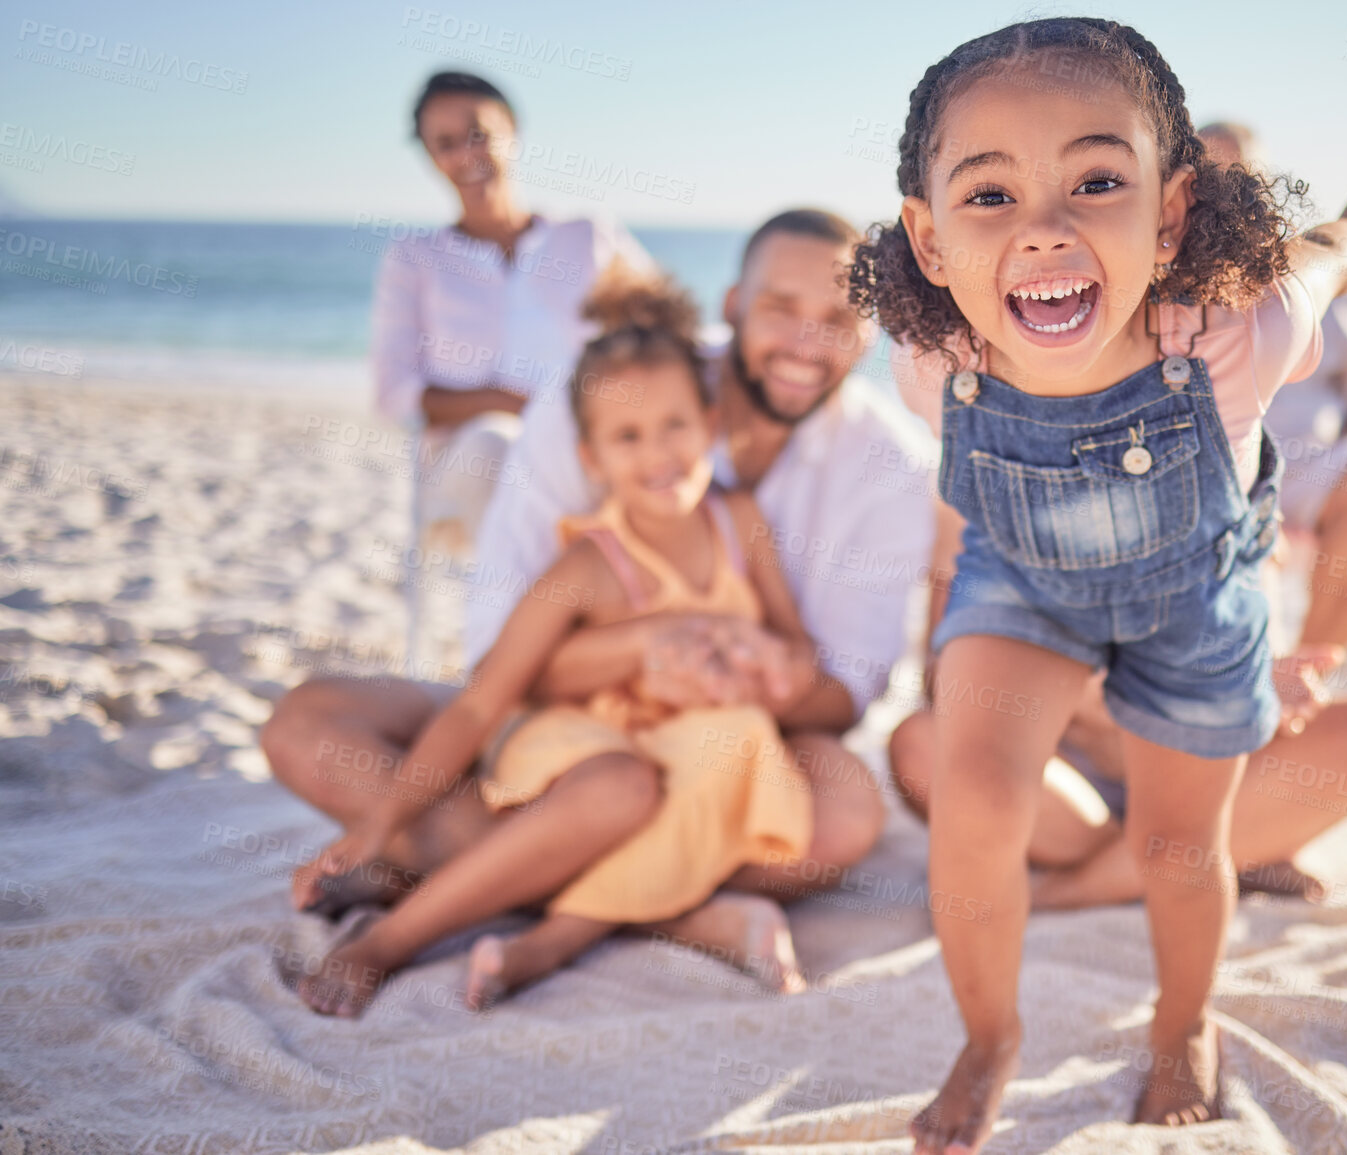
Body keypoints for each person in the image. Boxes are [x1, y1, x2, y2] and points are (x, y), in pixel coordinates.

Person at [846, 17, 1347, 1144]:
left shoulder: (1240, 333)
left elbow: (1323, 262)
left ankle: (1184, 1021)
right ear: (930, 238)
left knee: (1180, 847)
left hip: (1195, 598)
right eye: (989, 196)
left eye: (1097, 179)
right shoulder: (933, 365)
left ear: (1173, 208)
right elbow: (962, 510)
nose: (1044, 230)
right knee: (977, 799)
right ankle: (990, 1032)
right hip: (1025, 591)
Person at [262, 209, 935, 976]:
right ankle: (673, 904)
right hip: (568, 731)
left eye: (839, 318)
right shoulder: (605, 397)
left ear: (869, 330)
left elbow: (839, 690)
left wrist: (753, 671)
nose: (806, 344)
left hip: (727, 746)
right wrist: (640, 652)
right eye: (781, 307)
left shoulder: (887, 470)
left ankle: (504, 880)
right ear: (732, 305)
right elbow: (493, 665)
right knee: (305, 724)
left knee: (844, 812)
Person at [299, 273, 820, 1017]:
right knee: (623, 788)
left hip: (687, 749)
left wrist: (774, 667)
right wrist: (382, 822)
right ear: (592, 458)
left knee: (738, 740)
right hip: (580, 749)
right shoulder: (586, 565)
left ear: (708, 422)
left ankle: (555, 937)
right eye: (627, 437)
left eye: (674, 425)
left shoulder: (739, 524)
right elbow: (482, 700)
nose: (657, 453)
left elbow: (796, 649)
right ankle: (389, 939)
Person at [372, 71, 651, 550]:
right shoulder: (414, 259)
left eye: (478, 134)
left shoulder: (587, 237)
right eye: (445, 143)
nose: (465, 155)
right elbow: (394, 395)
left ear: (513, 132)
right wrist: (507, 403)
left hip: (586, 452)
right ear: (431, 158)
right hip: (468, 470)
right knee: (496, 444)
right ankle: (535, 613)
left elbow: (664, 332)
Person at [1198, 121, 1347, 652]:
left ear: (1266, 187)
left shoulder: (1330, 289)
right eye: (1213, 177)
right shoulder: (1169, 285)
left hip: (1308, 474)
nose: (1226, 194)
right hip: (1214, 474)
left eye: (1243, 179)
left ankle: (1306, 666)